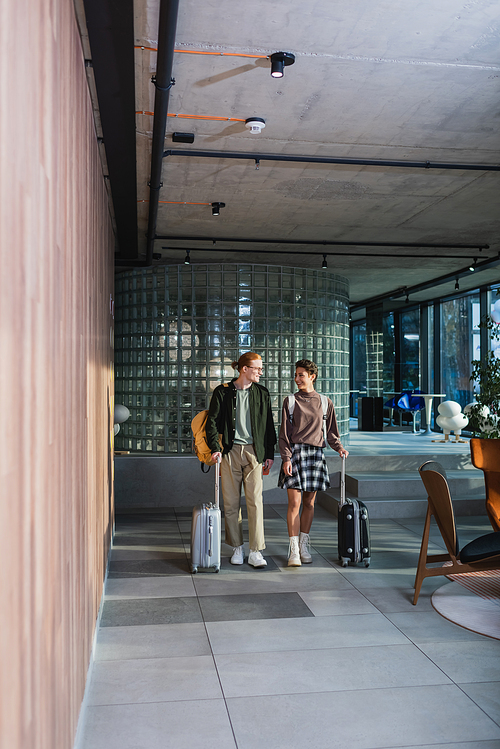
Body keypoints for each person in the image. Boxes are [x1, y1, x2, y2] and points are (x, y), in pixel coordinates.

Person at [206, 352, 277, 568]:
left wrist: (270, 454)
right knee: (231, 502)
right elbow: (212, 422)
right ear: (244, 369)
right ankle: (237, 547)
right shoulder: (222, 392)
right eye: (257, 368)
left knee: (255, 501)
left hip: (254, 453)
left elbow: (268, 425)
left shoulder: (262, 393)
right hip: (229, 451)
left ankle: (256, 551)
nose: (260, 372)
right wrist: (216, 448)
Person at [278, 359, 348, 566]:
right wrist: (286, 458)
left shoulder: (325, 402)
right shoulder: (290, 401)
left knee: (309, 503)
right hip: (296, 454)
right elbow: (284, 434)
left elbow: (332, 433)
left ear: (312, 376)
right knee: (295, 503)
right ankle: (293, 552)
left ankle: (303, 544)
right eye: (296, 374)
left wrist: (339, 448)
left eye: (301, 375)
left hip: (316, 455)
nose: (297, 379)